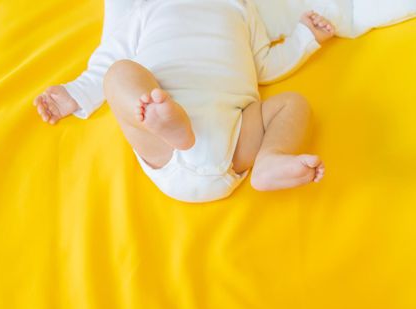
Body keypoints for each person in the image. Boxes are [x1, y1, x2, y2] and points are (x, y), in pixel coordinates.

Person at [33, 0, 334, 203]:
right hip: (162, 136)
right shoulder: (147, 7)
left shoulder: (241, 6)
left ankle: (270, 158)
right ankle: (170, 126)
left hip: (235, 134)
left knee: (293, 104)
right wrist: (76, 93)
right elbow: (111, 55)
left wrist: (304, 37)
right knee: (119, 73)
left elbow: (264, 62)